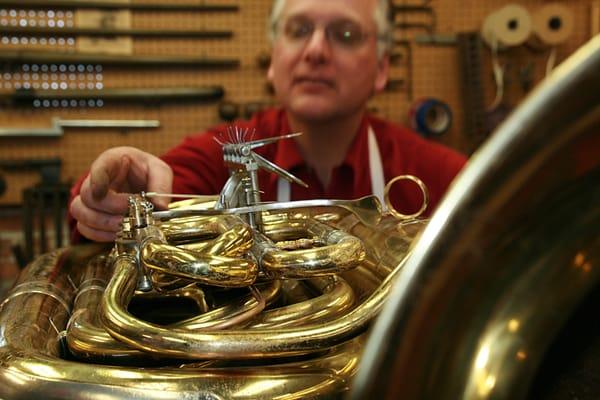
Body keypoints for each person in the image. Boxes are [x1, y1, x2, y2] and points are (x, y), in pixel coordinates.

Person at [69, 0, 467, 242]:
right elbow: (134, 195)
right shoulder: (223, 157)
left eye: (345, 34)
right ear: (273, 61)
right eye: (298, 31)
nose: (315, 51)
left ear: (381, 69)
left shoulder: (442, 176)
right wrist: (116, 195)